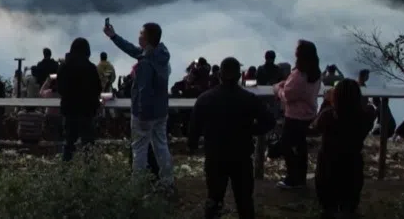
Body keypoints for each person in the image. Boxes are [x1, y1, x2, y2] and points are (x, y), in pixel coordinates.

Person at [189, 57, 276, 219]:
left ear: (219, 75)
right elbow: (269, 121)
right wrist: (251, 130)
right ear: (239, 76)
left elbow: (193, 129)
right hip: (241, 157)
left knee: (214, 200)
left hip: (215, 156)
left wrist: (194, 144)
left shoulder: (205, 99)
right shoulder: (249, 99)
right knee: (244, 202)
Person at [105, 21, 173, 186]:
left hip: (144, 115)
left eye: (141, 34)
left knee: (139, 148)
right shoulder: (160, 55)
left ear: (148, 39)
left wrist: (141, 115)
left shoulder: (144, 64)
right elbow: (134, 50)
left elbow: (143, 92)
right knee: (161, 146)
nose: (138, 37)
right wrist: (114, 36)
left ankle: (138, 185)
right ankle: (167, 181)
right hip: (161, 112)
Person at [313, 79, 376, 219]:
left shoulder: (328, 116)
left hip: (328, 165)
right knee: (349, 204)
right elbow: (372, 109)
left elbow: (316, 126)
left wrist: (327, 102)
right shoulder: (365, 117)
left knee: (328, 206)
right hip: (352, 164)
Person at [273, 39, 322, 189]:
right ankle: (300, 178)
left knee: (288, 147)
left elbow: (288, 95)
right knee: (300, 147)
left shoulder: (299, 75)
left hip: (294, 116)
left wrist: (278, 89)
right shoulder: (315, 73)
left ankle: (293, 179)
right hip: (308, 114)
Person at [57, 37, 102, 161]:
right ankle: (89, 172)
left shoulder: (64, 67)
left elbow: (60, 88)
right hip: (87, 111)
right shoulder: (91, 68)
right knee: (88, 143)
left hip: (69, 109)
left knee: (68, 143)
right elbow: (98, 88)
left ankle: (65, 170)